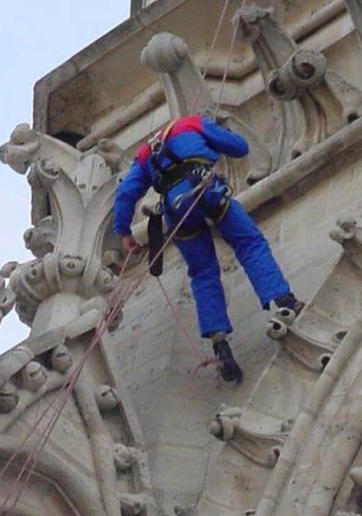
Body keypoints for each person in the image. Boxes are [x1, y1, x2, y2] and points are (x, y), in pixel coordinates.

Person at [113, 113, 303, 383]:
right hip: (206, 190)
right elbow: (240, 148)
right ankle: (283, 300)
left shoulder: (145, 155)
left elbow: (125, 193)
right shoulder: (192, 123)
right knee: (249, 243)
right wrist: (218, 134)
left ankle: (219, 342)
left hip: (176, 209)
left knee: (202, 273)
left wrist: (123, 232)